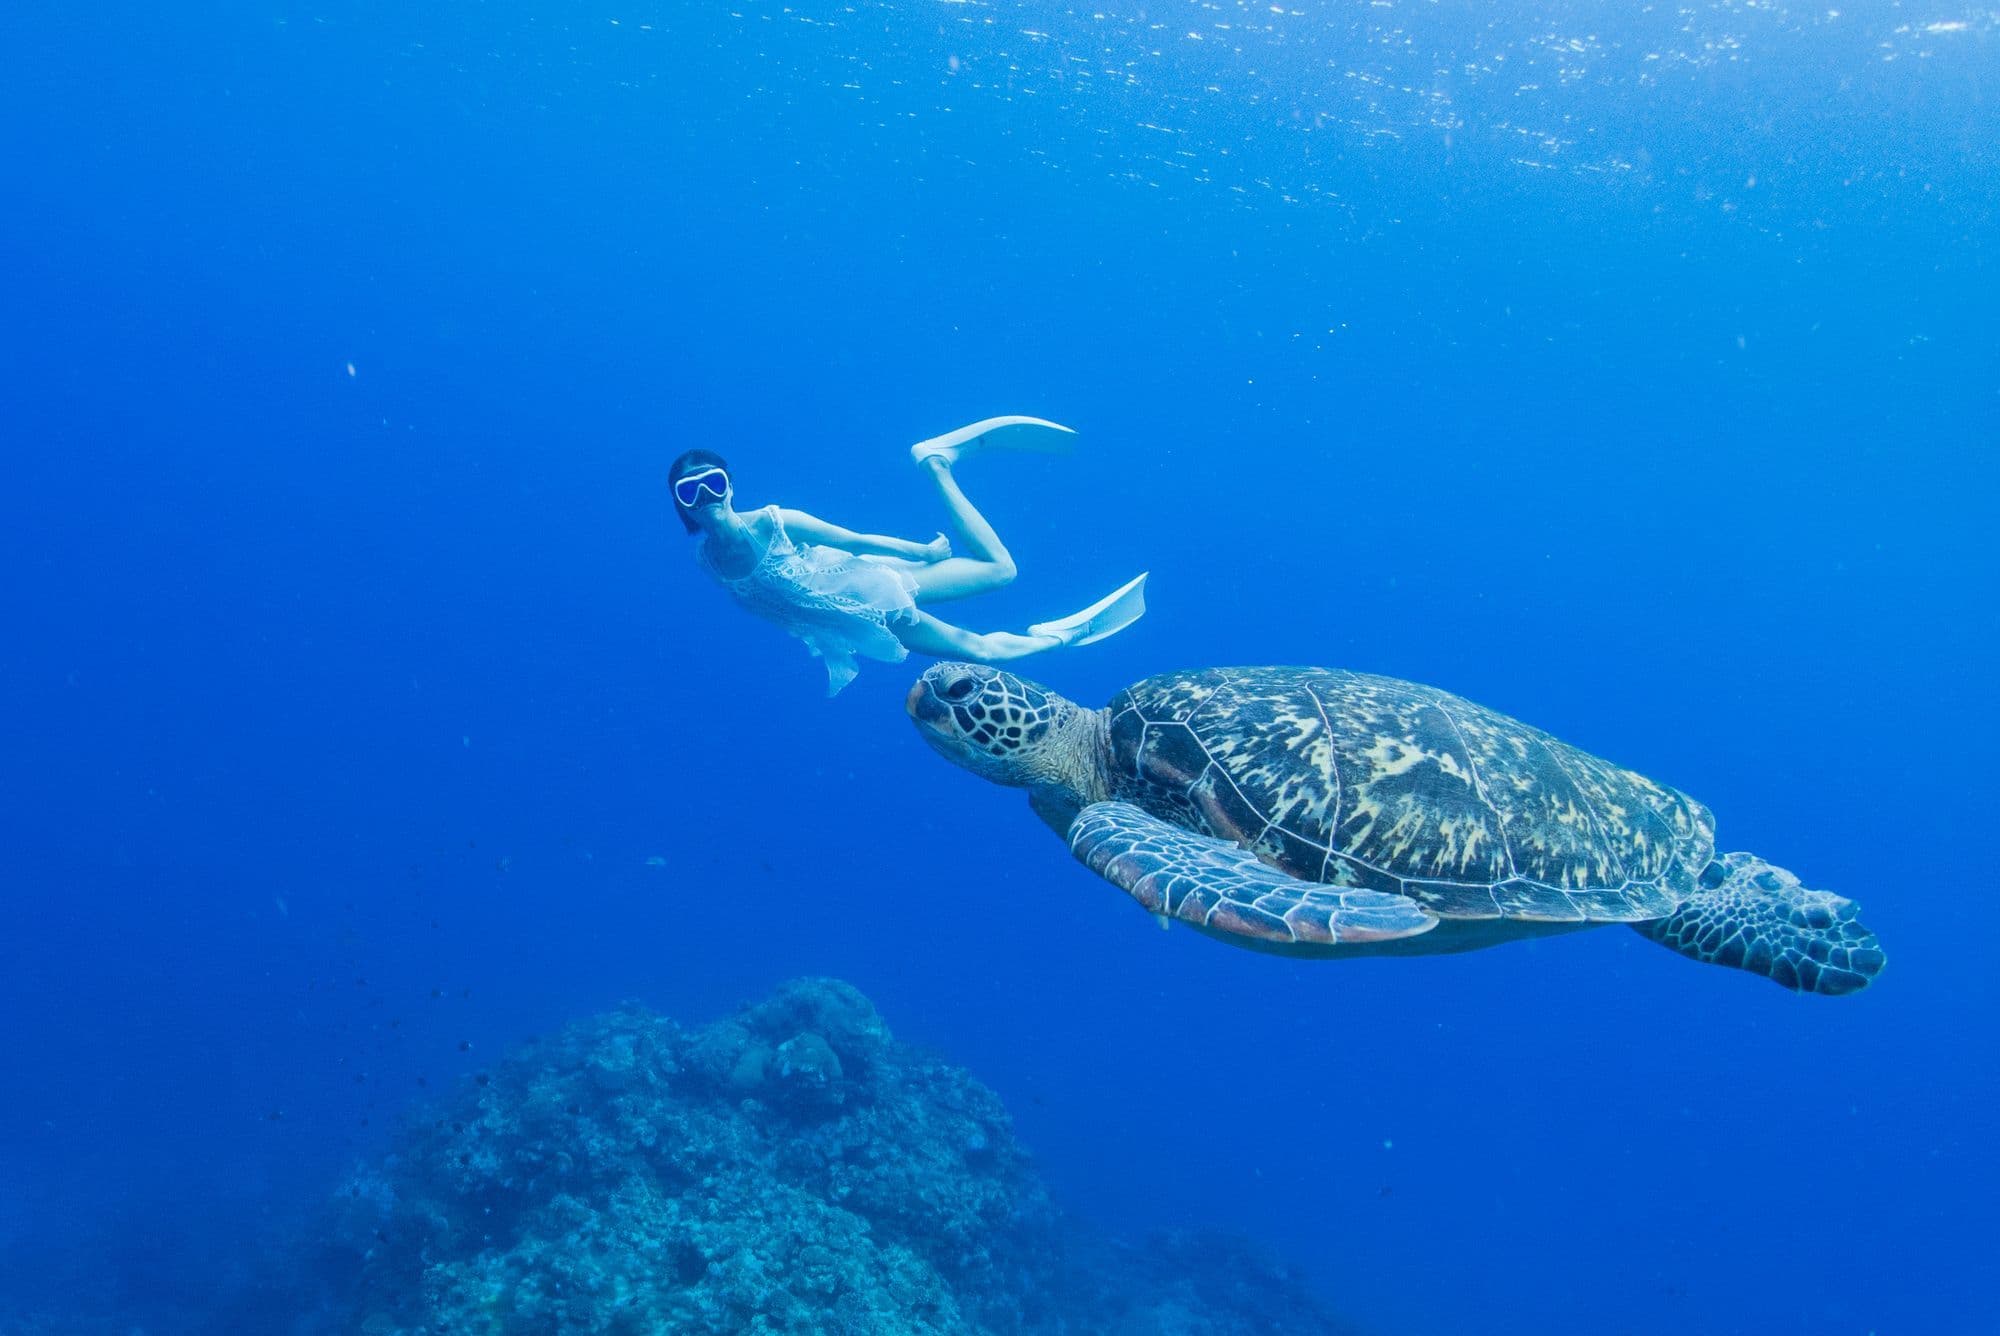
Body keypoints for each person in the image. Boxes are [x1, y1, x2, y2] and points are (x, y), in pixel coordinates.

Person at [673, 416, 1148, 695]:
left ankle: (1062, 636)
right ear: (682, 506)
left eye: (714, 483)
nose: (707, 498)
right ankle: (936, 461)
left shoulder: (774, 521)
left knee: (981, 643)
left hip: (868, 594)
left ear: (730, 486)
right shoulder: (705, 560)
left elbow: (852, 539)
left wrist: (919, 550)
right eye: (692, 492)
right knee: (999, 572)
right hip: (846, 601)